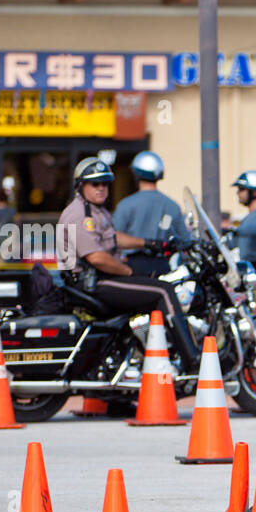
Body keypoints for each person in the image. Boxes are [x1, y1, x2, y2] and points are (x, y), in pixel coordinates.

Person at [55, 156, 201, 373]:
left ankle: (141, 351)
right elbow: (96, 258)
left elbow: (114, 238)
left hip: (99, 278)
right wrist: (130, 272)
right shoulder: (79, 214)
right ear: (80, 185)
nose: (101, 188)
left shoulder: (97, 210)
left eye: (105, 183)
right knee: (163, 291)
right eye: (95, 183)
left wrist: (149, 243)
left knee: (155, 280)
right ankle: (192, 359)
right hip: (92, 283)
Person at [113, 151, 190, 277]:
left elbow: (113, 238)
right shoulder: (172, 206)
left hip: (133, 265)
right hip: (164, 266)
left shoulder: (125, 204)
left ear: (136, 174)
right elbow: (184, 240)